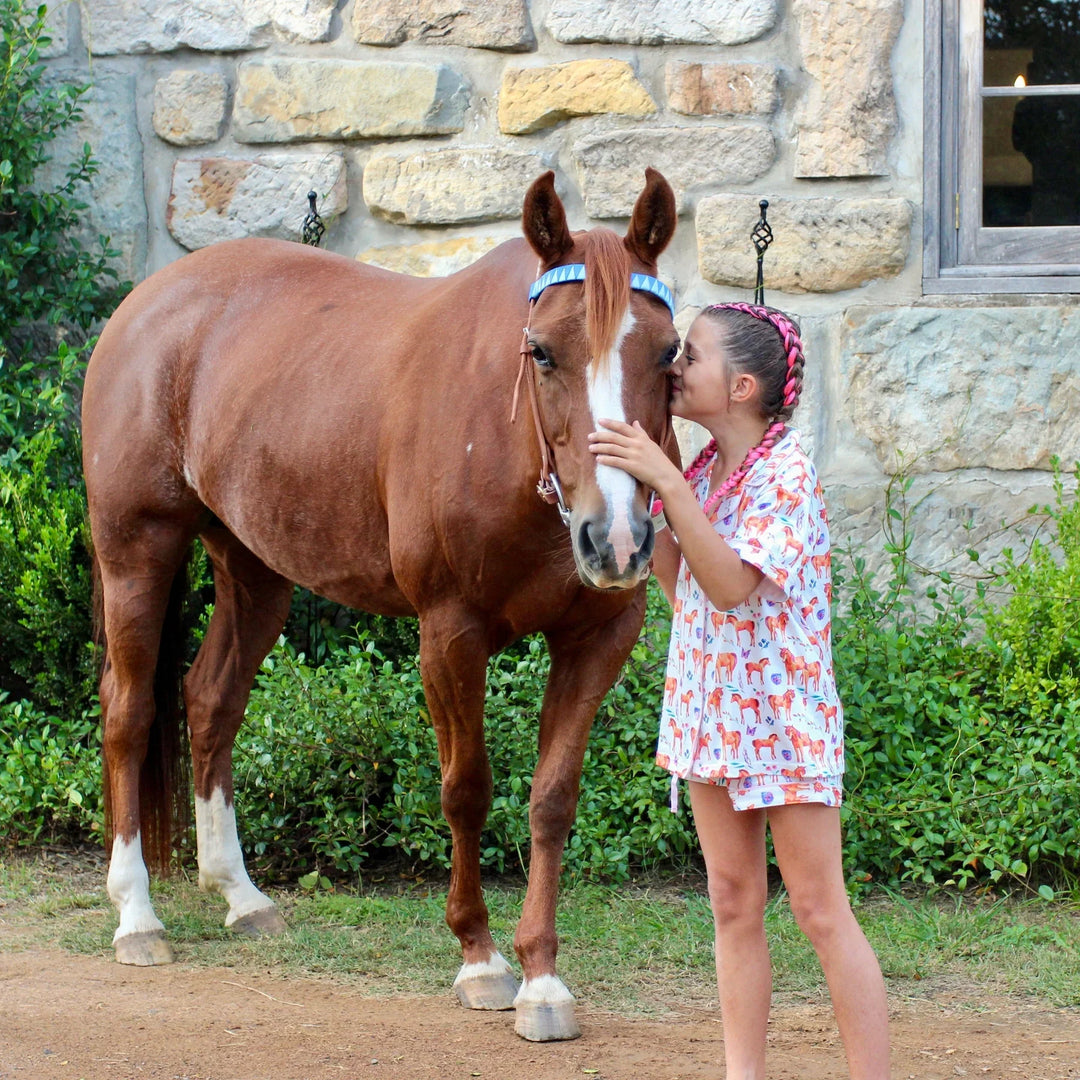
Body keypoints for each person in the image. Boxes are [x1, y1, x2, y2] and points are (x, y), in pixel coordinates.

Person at [588, 302, 890, 1080]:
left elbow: (728, 587)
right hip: (711, 714)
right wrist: (647, 490)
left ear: (744, 385)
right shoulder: (701, 470)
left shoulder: (785, 471)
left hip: (784, 721)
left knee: (820, 911)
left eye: (690, 356)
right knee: (732, 901)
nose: (674, 367)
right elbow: (677, 586)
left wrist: (664, 483)